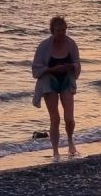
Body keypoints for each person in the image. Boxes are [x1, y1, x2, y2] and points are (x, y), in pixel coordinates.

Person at [31, 16, 80, 157]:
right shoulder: (44, 46)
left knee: (69, 118)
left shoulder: (71, 44)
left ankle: (70, 141)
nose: (62, 33)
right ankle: (55, 151)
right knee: (55, 118)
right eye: (58, 30)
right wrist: (51, 69)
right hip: (49, 80)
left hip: (66, 79)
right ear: (52, 30)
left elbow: (77, 63)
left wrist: (71, 66)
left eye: (64, 30)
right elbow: (36, 68)